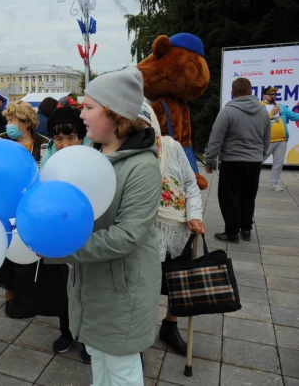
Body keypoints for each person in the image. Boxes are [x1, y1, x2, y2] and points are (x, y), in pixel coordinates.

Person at [46, 67, 161, 386]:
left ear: (115, 114)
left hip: (122, 291)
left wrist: (65, 247)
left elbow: (127, 236)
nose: (81, 114)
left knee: (122, 369)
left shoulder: (142, 166)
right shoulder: (89, 156)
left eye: (89, 107)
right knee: (97, 357)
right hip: (88, 285)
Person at [138, 103, 205, 356]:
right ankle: (138, 339)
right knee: (145, 287)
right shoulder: (130, 152)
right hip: (148, 231)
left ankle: (169, 326)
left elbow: (189, 184)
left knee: (179, 283)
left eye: (145, 125)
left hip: (180, 228)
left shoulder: (172, 146)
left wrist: (195, 215)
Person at [42, 105, 91, 364]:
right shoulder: (48, 159)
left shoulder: (93, 159)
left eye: (70, 137)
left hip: (87, 235)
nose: (64, 144)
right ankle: (68, 331)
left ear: (82, 137)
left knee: (87, 289)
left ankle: (88, 337)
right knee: (63, 289)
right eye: (58, 138)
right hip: (59, 233)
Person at [0, 100, 49, 319]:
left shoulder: (44, 143)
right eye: (7, 120)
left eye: (12, 120)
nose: (8, 124)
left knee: (30, 244)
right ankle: (9, 286)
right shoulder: (1, 141)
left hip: (34, 204)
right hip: (8, 202)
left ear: (25, 123)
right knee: (9, 245)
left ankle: (30, 290)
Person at [205, 77, 271, 243]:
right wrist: (260, 155)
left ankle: (232, 232)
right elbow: (267, 139)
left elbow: (216, 138)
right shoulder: (263, 112)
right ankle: (246, 229)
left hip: (232, 161)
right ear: (251, 91)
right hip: (254, 162)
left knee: (229, 197)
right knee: (248, 196)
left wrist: (209, 160)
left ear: (232, 93)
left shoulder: (228, 111)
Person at [260, 86, 299, 192]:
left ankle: (274, 183)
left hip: (282, 140)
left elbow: (295, 116)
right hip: (266, 141)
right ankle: (248, 181)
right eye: (270, 94)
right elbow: (259, 122)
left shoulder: (281, 106)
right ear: (264, 95)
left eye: (274, 94)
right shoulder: (259, 107)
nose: (273, 96)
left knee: (278, 163)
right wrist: (271, 113)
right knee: (257, 161)